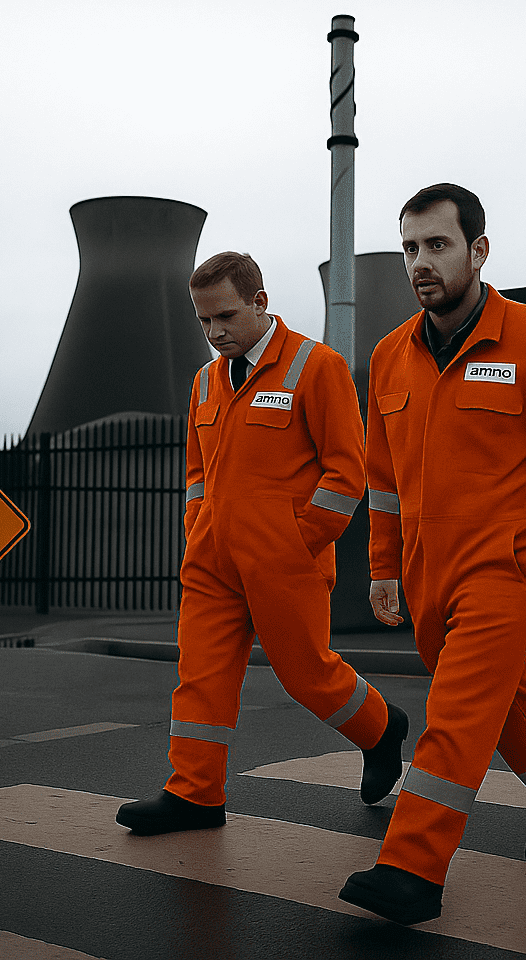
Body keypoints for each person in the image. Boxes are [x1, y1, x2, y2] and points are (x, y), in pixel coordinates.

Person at [339, 184, 526, 924]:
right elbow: (383, 483)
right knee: (503, 699)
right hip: (428, 569)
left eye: (437, 245)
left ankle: (412, 867)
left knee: (460, 707)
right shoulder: (390, 358)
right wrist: (382, 567)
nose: (420, 263)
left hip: (509, 564)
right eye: (410, 248)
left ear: (478, 250)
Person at [116, 251, 408, 835]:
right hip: (211, 561)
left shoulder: (315, 366)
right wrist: (198, 521)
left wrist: (298, 542)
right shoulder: (204, 381)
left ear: (260, 303)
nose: (214, 332)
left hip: (285, 564)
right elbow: (198, 468)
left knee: (309, 677)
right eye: (203, 322)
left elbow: (347, 473)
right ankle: (194, 794)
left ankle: (382, 729)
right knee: (200, 676)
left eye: (224, 316)